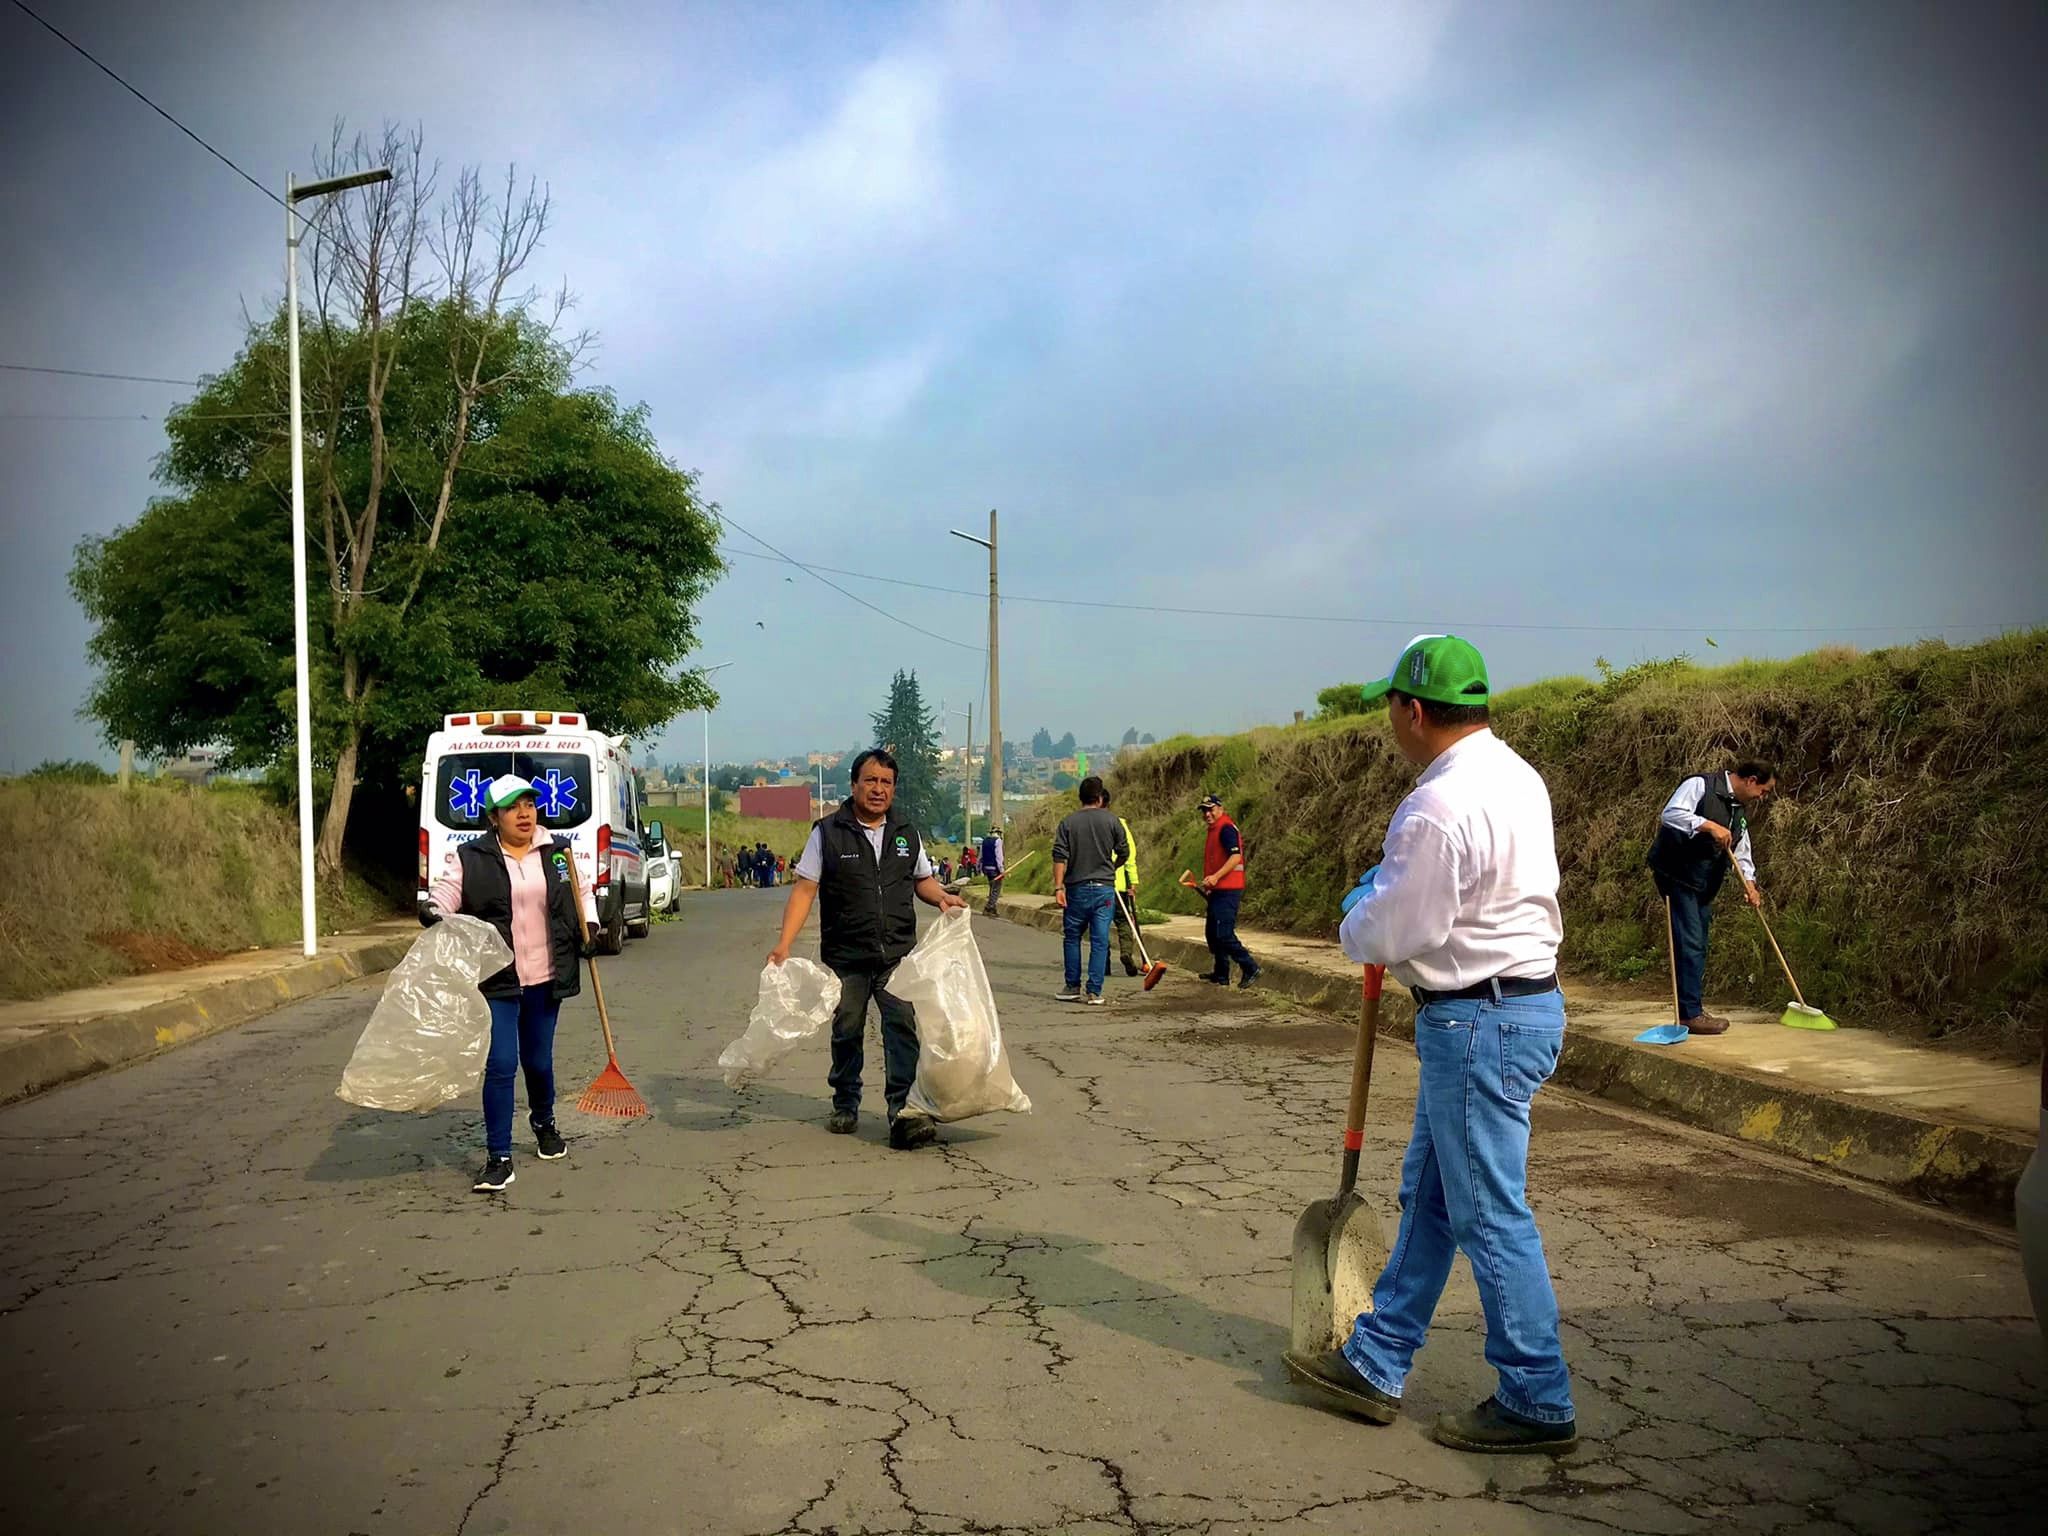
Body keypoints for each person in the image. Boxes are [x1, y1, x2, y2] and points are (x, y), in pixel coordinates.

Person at [1285, 633, 1577, 1455]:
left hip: (1477, 1019)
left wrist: (1359, 916)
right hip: (1515, 1007)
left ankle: (1538, 1394)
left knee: (1488, 1213)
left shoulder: (1436, 805)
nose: (1390, 723)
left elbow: (1401, 925)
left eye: (1391, 709)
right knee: (1437, 1196)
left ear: (1413, 712)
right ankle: (1378, 1357)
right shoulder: (1518, 776)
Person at [766, 749, 966, 1148]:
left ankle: (904, 1109)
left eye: (886, 782)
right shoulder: (827, 832)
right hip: (847, 956)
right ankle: (845, 1101)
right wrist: (783, 944)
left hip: (896, 954)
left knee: (901, 1028)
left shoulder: (906, 832)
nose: (878, 789)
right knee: (846, 1030)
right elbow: (805, 890)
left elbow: (921, 880)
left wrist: (942, 898)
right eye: (871, 781)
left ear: (893, 788)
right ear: (855, 784)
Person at [423, 774, 598, 1195]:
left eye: (529, 804)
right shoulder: (471, 857)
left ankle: (544, 1123)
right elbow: (447, 892)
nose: (524, 813)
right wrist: (433, 910)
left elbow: (581, 892)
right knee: (501, 1064)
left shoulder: (558, 854)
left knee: (537, 1062)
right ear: (494, 816)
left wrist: (589, 926)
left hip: (545, 975)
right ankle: (498, 1157)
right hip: (497, 978)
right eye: (512, 807)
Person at [1648, 761, 1776, 1035]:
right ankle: (1690, 1014)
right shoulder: (1701, 785)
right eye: (1763, 791)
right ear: (1751, 780)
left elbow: (1742, 851)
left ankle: (1691, 1009)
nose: (1762, 797)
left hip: (1704, 882)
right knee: (1690, 940)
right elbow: (1671, 814)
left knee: (1699, 942)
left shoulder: (1738, 811)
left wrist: (1750, 884)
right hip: (1677, 873)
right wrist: (1707, 826)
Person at [1051, 776, 1130, 1004]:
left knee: (1072, 937)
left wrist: (1058, 887)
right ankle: (1094, 991)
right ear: (1100, 797)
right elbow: (1124, 852)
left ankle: (1072, 986)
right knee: (1100, 940)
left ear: (1081, 797)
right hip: (1104, 889)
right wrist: (1111, 868)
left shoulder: (1068, 823)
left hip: (1076, 889)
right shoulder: (1113, 821)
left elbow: (1059, 856)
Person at [1196, 794, 1260, 987]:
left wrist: (1216, 877)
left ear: (1220, 809)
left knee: (1224, 934)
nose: (1207, 814)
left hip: (1229, 889)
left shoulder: (1226, 829)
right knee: (1213, 934)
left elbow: (1235, 858)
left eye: (1211, 809)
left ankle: (1250, 967)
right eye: (1204, 811)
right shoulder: (1213, 830)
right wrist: (1210, 884)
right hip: (1217, 890)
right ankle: (1221, 973)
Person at [1105, 788, 1144, 977]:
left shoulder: (1088, 824)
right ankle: (1126, 952)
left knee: (1100, 923)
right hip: (1119, 883)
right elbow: (1129, 855)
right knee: (1123, 921)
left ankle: (1103, 962)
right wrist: (1132, 881)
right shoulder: (1119, 824)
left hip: (1098, 884)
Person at [980, 825, 1005, 916]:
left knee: (992, 887)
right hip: (995, 868)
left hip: (986, 868)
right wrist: (1001, 870)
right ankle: (989, 907)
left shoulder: (984, 841)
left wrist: (980, 868)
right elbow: (999, 857)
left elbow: (981, 856)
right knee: (996, 889)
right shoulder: (998, 841)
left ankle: (993, 908)